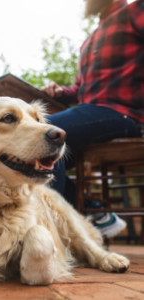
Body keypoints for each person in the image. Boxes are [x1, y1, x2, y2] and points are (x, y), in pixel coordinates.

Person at [41, 0, 144, 239]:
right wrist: (60, 92)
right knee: (37, 156)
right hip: (93, 113)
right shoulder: (90, 40)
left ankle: (52, 234)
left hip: (124, 114)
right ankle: (95, 215)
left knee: (45, 134)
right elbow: (79, 89)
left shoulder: (135, 11)